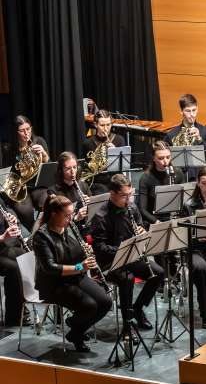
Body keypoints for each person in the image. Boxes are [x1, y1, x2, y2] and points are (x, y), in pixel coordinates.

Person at [32, 195, 111, 352]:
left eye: (71, 214)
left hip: (75, 277)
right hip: (54, 284)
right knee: (89, 305)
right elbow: (50, 267)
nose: (71, 218)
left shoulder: (70, 228)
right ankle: (77, 331)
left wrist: (87, 254)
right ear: (54, 214)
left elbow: (77, 254)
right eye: (66, 215)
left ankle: (75, 330)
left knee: (105, 302)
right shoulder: (42, 236)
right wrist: (79, 267)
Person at [90, 174, 164, 335]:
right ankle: (127, 324)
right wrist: (122, 249)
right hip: (110, 263)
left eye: (130, 194)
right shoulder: (101, 216)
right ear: (112, 194)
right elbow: (99, 249)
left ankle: (137, 308)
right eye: (124, 195)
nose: (128, 199)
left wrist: (142, 233)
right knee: (127, 278)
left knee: (159, 273)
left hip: (131, 257)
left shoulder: (132, 208)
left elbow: (139, 227)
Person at [183, 164, 206, 328]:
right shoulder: (189, 205)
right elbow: (184, 234)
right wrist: (199, 236)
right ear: (198, 183)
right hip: (197, 249)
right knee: (200, 268)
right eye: (204, 183)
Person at [4, 115, 50, 231]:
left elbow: (47, 163)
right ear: (16, 132)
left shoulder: (39, 141)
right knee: (25, 211)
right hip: (20, 188)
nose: (26, 133)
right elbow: (7, 173)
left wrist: (43, 154)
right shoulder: (8, 149)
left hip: (37, 185)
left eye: (28, 129)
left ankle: (48, 230)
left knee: (47, 202)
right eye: (22, 131)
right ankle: (33, 233)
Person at [138, 141, 185, 226]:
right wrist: (157, 222)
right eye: (161, 158)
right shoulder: (145, 178)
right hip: (155, 221)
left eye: (168, 157)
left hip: (175, 219)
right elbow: (142, 209)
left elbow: (184, 201)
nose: (165, 161)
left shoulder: (178, 173)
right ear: (153, 158)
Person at [164, 93, 206, 166]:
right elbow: (167, 161)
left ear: (197, 109)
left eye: (194, 110)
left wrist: (199, 139)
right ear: (181, 112)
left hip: (199, 174)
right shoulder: (171, 135)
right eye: (188, 111)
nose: (192, 114)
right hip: (181, 174)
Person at [81, 110, 125, 195]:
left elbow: (123, 167)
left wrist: (115, 151)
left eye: (108, 125)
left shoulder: (119, 140)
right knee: (103, 191)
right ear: (95, 125)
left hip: (115, 179)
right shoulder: (88, 143)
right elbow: (86, 170)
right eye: (102, 125)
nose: (106, 128)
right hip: (98, 182)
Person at [0, 198, 26, 327]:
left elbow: (7, 210)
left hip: (2, 248)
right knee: (14, 268)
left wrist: (12, 219)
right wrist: (3, 237)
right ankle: (13, 317)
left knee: (26, 258)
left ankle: (24, 304)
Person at [52, 152, 91, 232]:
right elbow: (56, 222)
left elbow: (93, 212)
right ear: (61, 170)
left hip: (86, 228)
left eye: (74, 167)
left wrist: (90, 204)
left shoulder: (83, 185)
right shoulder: (54, 192)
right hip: (68, 232)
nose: (73, 172)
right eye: (68, 168)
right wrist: (76, 218)